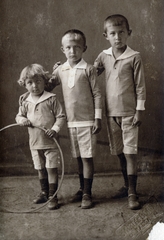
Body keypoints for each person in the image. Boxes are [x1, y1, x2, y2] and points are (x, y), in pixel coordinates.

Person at [94, 14, 146, 210]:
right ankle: (127, 186)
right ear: (106, 35)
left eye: (121, 33)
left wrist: (139, 111)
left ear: (129, 33)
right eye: (113, 34)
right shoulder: (103, 56)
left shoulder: (134, 57)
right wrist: (64, 67)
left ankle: (133, 193)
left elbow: (140, 86)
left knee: (130, 153)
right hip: (110, 114)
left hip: (130, 114)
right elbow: (90, 73)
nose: (117, 37)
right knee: (121, 153)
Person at [49, 29, 102, 209]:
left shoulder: (89, 69)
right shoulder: (61, 70)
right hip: (71, 123)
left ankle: (88, 193)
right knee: (79, 158)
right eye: (68, 48)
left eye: (77, 47)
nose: (72, 51)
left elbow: (97, 94)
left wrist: (97, 118)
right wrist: (52, 71)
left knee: (87, 158)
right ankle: (82, 188)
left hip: (87, 122)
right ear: (62, 49)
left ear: (84, 48)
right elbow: (48, 85)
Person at [16, 64, 65, 210]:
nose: (34, 86)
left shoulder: (51, 99)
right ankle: (44, 192)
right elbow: (19, 116)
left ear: (45, 81)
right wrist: (22, 120)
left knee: (51, 168)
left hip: (50, 142)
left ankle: (52, 196)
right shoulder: (25, 101)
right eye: (30, 83)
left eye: (38, 82)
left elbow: (61, 116)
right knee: (40, 168)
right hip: (35, 143)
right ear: (24, 84)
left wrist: (55, 129)